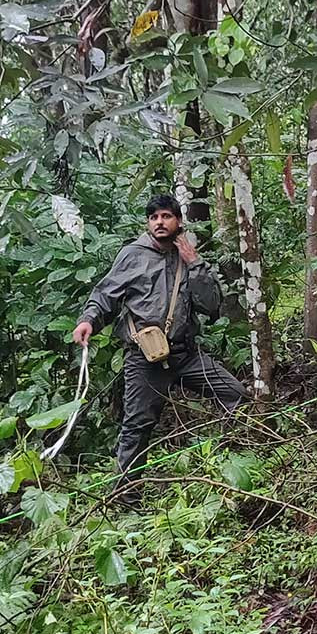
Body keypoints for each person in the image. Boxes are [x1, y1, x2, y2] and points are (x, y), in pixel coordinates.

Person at [71, 194, 245, 494]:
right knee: (137, 426)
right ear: (148, 223)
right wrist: (89, 320)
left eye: (166, 216)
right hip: (145, 358)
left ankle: (228, 464)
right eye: (154, 218)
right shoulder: (133, 255)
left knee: (236, 396)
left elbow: (212, 305)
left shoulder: (188, 255)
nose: (160, 222)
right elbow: (106, 295)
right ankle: (126, 495)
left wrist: (195, 264)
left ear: (178, 220)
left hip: (186, 354)